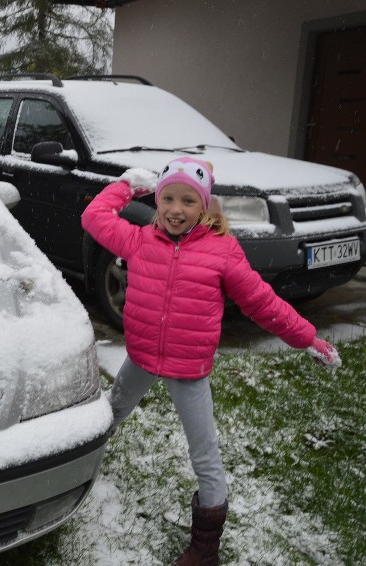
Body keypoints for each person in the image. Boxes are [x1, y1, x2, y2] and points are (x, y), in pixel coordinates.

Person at [80, 157, 342, 566]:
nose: (176, 209)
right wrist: (128, 186)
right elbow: (94, 216)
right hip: (142, 358)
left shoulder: (222, 252)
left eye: (188, 200)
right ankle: (77, 476)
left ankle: (205, 549)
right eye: (167, 198)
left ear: (205, 207)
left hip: (189, 372)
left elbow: (261, 301)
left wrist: (306, 337)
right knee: (110, 413)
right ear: (156, 199)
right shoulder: (140, 240)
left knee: (204, 454)